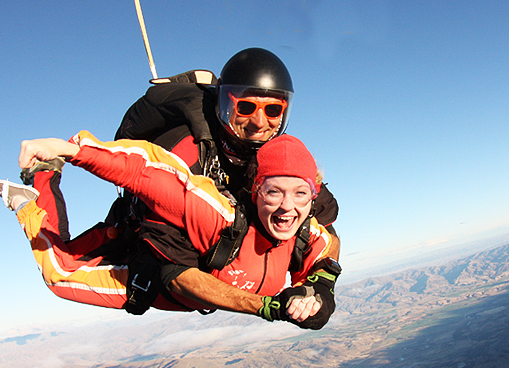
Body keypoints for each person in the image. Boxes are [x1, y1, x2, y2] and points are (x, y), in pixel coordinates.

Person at [0, 132, 340, 329]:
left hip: (178, 288)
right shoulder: (218, 216)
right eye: (273, 192)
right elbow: (150, 172)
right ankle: (32, 192)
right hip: (158, 280)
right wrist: (74, 150)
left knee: (103, 240)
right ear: (255, 191)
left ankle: (115, 229)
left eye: (300, 194)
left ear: (313, 195)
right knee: (58, 274)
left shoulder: (306, 234)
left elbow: (327, 255)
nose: (286, 207)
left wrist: (320, 291)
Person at [96, 47, 341, 314]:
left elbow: (325, 223)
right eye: (246, 107)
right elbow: (175, 272)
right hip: (169, 253)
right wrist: (265, 307)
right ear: (224, 105)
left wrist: (323, 284)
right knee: (64, 274)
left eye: (273, 110)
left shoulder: (279, 157)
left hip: (223, 255)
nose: (260, 122)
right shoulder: (187, 156)